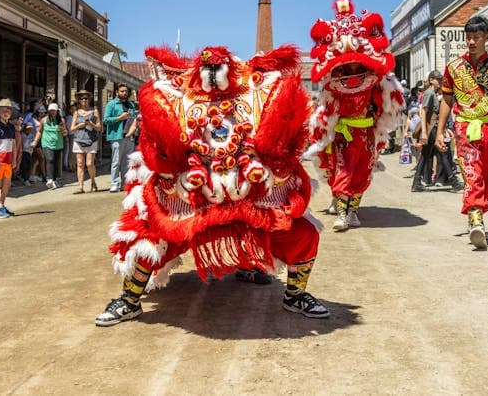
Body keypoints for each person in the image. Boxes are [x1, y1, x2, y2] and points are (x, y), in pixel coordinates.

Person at [96, 45, 328, 326]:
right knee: (149, 236)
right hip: (190, 197)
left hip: (247, 196)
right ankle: (129, 300)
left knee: (301, 231)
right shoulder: (177, 95)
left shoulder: (258, 91)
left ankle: (293, 294)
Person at [305, 0, 406, 232]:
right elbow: (327, 109)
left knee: (363, 172)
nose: (352, 67)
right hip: (344, 133)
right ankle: (342, 212)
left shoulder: (375, 81)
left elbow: (385, 105)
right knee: (344, 170)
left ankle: (352, 210)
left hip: (367, 133)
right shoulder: (334, 82)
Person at [436, 15, 488, 250]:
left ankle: (478, 212)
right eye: (468, 37)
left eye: (476, 37)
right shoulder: (453, 67)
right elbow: (447, 101)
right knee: (472, 173)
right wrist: (440, 130)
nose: (471, 42)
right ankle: (475, 219)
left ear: (486, 37)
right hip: (463, 128)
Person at [413, 71, 459, 193]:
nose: (440, 82)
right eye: (438, 79)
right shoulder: (429, 93)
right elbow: (423, 112)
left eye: (440, 79)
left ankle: (416, 182)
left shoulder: (432, 93)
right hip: (431, 128)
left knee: (426, 155)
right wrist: (424, 131)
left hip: (434, 127)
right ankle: (453, 181)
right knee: (442, 152)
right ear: (432, 80)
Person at [0, 99, 20, 219]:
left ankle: (1, 205)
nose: (6, 112)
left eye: (8, 110)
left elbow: (13, 144)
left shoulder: (11, 127)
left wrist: (14, 159)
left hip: (8, 161)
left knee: (7, 184)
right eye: (4, 110)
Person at [104, 85, 137, 193]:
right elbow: (106, 120)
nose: (124, 93)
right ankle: (114, 183)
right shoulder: (111, 104)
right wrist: (119, 118)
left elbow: (133, 119)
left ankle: (124, 184)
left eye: (126, 91)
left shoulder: (130, 104)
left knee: (126, 162)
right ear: (117, 92)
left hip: (129, 136)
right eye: (122, 91)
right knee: (116, 162)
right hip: (117, 136)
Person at [32, 103, 69, 190]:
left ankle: (54, 180)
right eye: (50, 110)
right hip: (46, 143)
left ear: (57, 111)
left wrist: (63, 131)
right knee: (50, 159)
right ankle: (50, 179)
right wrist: (35, 141)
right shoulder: (44, 120)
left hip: (58, 144)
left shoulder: (61, 120)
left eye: (54, 111)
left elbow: (65, 133)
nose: (52, 112)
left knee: (56, 162)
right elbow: (40, 131)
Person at [70, 93, 101, 194]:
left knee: (89, 163)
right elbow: (72, 129)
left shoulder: (94, 111)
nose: (84, 100)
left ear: (89, 99)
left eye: (86, 99)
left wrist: (90, 124)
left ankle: (93, 182)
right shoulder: (76, 112)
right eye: (82, 99)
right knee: (80, 164)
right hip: (79, 140)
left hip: (91, 140)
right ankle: (80, 186)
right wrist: (80, 125)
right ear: (79, 100)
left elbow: (99, 127)